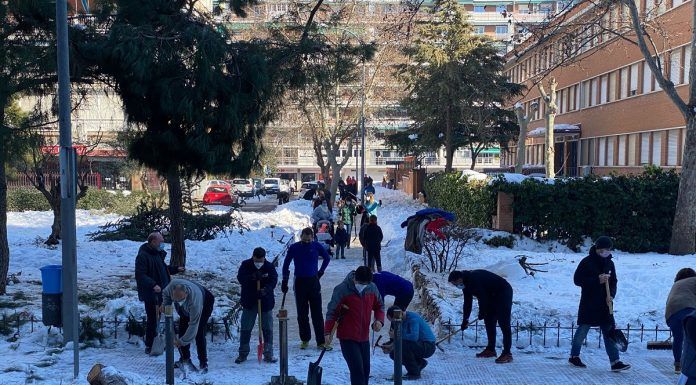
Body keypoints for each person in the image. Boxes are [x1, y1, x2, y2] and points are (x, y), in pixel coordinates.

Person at [569, 236, 630, 371]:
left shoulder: (610, 263)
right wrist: (597, 280)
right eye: (602, 250)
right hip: (589, 302)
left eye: (607, 250)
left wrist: (612, 296)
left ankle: (615, 361)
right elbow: (577, 280)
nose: (605, 253)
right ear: (597, 249)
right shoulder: (587, 262)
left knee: (609, 332)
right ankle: (574, 356)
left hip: (605, 304)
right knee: (583, 329)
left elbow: (613, 281)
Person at [325, 266, 384, 385]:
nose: (362, 286)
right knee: (357, 370)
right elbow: (332, 312)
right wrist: (327, 332)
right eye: (360, 283)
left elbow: (379, 306)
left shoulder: (371, 288)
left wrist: (379, 320)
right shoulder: (342, 289)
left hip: (364, 337)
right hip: (347, 337)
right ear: (354, 279)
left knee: (366, 371)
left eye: (366, 284)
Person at [448, 269, 513, 364]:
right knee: (489, 320)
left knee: (503, 322)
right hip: (491, 294)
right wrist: (465, 320)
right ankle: (491, 349)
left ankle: (507, 353)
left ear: (459, 278)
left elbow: (483, 297)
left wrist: (482, 312)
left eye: (455, 283)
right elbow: (467, 302)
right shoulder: (465, 284)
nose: (456, 285)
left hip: (503, 291)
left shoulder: (473, 279)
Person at [135, 231, 184, 355]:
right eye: (161, 242)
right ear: (153, 242)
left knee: (167, 317)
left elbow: (163, 269)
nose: (163, 244)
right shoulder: (143, 256)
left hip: (164, 294)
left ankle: (167, 341)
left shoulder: (157, 254)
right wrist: (153, 285)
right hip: (152, 295)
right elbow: (141, 275)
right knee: (153, 319)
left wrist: (175, 269)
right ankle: (150, 344)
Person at [282, 227, 331, 349]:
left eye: (309, 240)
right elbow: (286, 264)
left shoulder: (316, 246)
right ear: (301, 237)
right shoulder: (294, 247)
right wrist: (284, 280)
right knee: (302, 313)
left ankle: (320, 341)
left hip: (313, 281)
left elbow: (327, 258)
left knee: (317, 313)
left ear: (312, 238)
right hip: (299, 282)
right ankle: (305, 339)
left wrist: (321, 272)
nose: (307, 242)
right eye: (305, 240)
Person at [235, 247, 278, 364]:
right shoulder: (246, 265)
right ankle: (243, 353)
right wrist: (252, 277)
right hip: (249, 302)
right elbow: (241, 278)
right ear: (253, 256)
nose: (258, 263)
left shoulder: (269, 266)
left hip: (265, 302)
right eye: (256, 260)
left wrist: (265, 290)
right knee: (246, 328)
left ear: (264, 258)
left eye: (261, 260)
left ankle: (268, 353)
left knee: (267, 328)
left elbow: (273, 280)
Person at [162, 278, 215, 372]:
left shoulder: (195, 301)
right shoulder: (171, 286)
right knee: (182, 328)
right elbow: (166, 295)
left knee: (199, 331)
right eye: (176, 301)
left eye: (180, 300)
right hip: (188, 304)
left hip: (205, 301)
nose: (178, 303)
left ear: (186, 294)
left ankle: (203, 363)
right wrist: (165, 305)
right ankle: (185, 359)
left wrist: (182, 341)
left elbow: (194, 324)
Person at [380, 306, 436, 380]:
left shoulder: (413, 319)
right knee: (394, 353)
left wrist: (396, 336)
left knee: (404, 346)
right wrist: (390, 346)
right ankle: (419, 364)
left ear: (398, 315)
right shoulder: (401, 319)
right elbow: (403, 339)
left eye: (393, 321)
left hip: (428, 346)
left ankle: (414, 373)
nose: (393, 323)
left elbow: (413, 338)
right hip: (417, 345)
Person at [667, 268, 696, 373]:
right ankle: (689, 366)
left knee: (678, 338)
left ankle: (678, 365)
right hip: (688, 309)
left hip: (671, 313)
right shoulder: (694, 280)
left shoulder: (676, 284)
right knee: (691, 339)